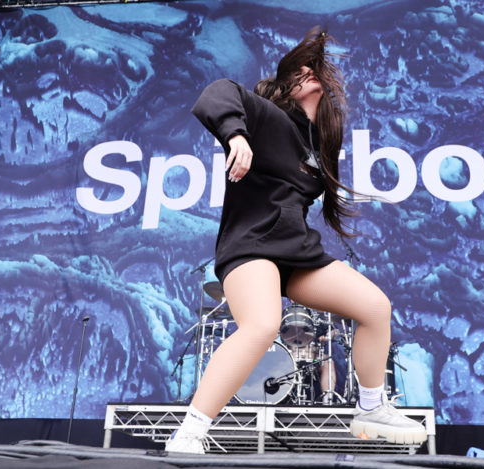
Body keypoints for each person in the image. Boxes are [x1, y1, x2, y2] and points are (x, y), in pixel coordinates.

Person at [166, 27, 427, 454]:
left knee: (376, 308)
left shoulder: (315, 145)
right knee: (262, 324)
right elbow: (216, 94)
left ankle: (372, 407)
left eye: (314, 69)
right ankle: (190, 431)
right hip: (251, 246)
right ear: (288, 84)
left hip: (295, 251)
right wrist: (236, 135)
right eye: (301, 71)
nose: (310, 73)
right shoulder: (268, 117)